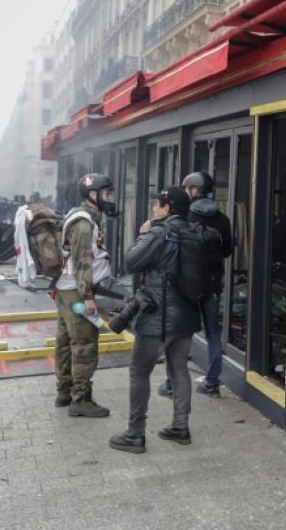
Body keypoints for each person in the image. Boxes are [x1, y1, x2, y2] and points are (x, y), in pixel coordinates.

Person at [110, 186, 198, 454]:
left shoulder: (160, 232)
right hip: (187, 314)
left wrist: (143, 234)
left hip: (159, 316)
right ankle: (180, 427)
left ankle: (135, 434)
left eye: (156, 204)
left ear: (167, 208)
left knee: (139, 371)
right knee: (179, 369)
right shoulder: (194, 231)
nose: (153, 208)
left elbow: (130, 262)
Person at [159, 171, 233, 399]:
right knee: (213, 333)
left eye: (186, 188)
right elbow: (227, 251)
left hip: (186, 287)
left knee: (180, 334)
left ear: (194, 190)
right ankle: (212, 383)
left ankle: (171, 384)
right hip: (211, 286)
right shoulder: (223, 219)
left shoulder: (185, 216)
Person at [53, 173, 116, 418]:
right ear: (93, 195)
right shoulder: (84, 223)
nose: (110, 199)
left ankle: (64, 392)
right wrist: (88, 297)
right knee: (84, 343)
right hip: (78, 295)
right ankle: (80, 399)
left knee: (65, 341)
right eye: (107, 194)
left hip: (67, 291)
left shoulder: (78, 216)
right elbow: (82, 262)